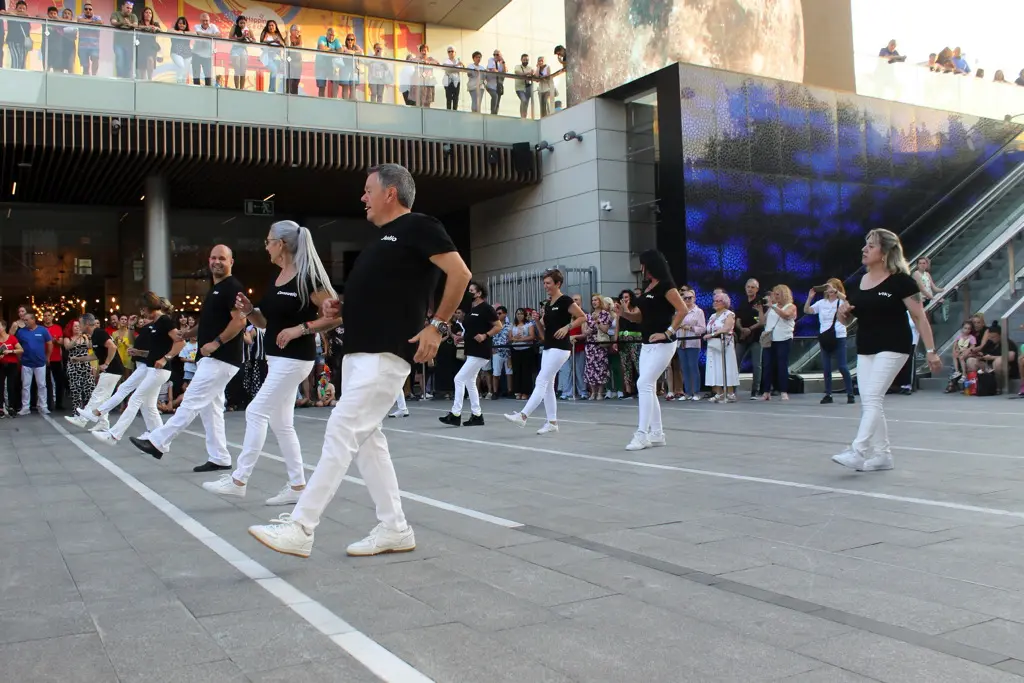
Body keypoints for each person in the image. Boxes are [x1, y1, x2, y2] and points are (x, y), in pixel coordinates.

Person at [248, 163, 472, 558]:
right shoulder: (380, 240)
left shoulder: (420, 225)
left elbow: (460, 273)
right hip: (359, 353)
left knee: (341, 430)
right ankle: (394, 527)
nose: (362, 198)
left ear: (391, 193)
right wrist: (341, 306)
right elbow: (381, 293)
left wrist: (437, 325)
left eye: (368, 190)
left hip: (386, 354)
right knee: (369, 443)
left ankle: (302, 526)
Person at [202, 221, 338, 506]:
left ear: (282, 244)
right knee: (282, 423)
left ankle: (239, 479)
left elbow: (336, 316)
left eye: (268, 241)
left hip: (296, 358)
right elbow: (266, 323)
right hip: (276, 359)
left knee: (255, 412)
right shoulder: (278, 277)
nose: (266, 246)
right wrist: (250, 311)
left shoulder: (308, 277)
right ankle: (298, 485)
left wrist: (301, 329)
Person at [128, 246, 248, 471]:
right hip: (213, 358)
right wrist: (189, 334)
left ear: (232, 261)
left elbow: (240, 321)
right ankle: (219, 457)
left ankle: (158, 441)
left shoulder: (232, 287)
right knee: (210, 409)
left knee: (191, 400)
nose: (217, 262)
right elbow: (211, 324)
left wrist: (217, 343)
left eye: (222, 258)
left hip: (221, 357)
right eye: (213, 257)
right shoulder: (216, 289)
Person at [833, 229, 941, 472]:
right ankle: (882, 455)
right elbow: (850, 320)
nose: (864, 249)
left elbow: (920, 317)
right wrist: (843, 316)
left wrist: (932, 350)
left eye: (871, 246)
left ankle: (858, 451)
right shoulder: (857, 282)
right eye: (865, 245)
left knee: (872, 397)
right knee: (871, 401)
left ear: (884, 253)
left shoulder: (902, 281)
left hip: (894, 345)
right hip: (866, 346)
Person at [614, 250, 686, 450]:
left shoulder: (666, 286)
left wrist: (667, 332)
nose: (641, 268)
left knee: (644, 383)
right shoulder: (648, 288)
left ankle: (642, 434)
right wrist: (625, 314)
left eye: (643, 264)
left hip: (663, 343)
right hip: (646, 342)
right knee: (648, 386)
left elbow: (683, 310)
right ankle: (657, 433)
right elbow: (640, 317)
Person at [89, 294, 182, 445]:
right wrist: (142, 353)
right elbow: (155, 350)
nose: (142, 313)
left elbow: (180, 342)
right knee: (149, 405)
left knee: (135, 399)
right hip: (152, 368)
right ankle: (161, 440)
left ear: (148, 307)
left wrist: (166, 358)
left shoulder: (164, 321)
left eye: (143, 310)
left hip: (160, 370)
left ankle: (114, 435)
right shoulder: (156, 323)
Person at [503, 269, 586, 434]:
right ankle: (552, 422)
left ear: (558, 284)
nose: (545, 286)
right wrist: (536, 321)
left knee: (541, 380)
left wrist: (567, 327)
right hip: (548, 346)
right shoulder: (548, 304)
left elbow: (582, 317)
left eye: (548, 283)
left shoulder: (565, 300)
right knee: (547, 386)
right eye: (544, 283)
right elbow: (542, 332)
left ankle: (524, 415)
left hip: (561, 348)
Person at [439, 281, 500, 427]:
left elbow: (498, 326)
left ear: (479, 293)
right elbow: (471, 328)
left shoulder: (486, 308)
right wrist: (462, 336)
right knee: (470, 382)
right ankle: (477, 415)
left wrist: (485, 335)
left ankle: (455, 414)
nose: (469, 293)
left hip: (481, 350)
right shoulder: (471, 309)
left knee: (459, 379)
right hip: (471, 350)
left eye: (472, 290)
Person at [65, 314, 125, 429]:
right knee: (104, 398)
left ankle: (82, 420)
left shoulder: (99, 333)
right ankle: (103, 424)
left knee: (97, 394)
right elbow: (96, 355)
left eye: (81, 323)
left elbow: (112, 347)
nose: (79, 326)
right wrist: (78, 359)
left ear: (87, 324)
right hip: (111, 370)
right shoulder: (94, 335)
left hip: (112, 369)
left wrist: (106, 363)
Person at [806, 279, 854, 405]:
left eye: (831, 287)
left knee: (842, 366)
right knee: (826, 367)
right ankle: (828, 394)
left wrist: (837, 292)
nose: (829, 290)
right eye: (827, 287)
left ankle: (850, 393)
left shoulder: (841, 301)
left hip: (839, 334)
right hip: (825, 336)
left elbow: (849, 301)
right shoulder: (821, 303)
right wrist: (810, 298)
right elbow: (808, 310)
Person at [13, 313, 52, 416]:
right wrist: (20, 359)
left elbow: (49, 343)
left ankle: (43, 406)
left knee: (42, 385)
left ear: (33, 320)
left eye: (27, 320)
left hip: (40, 362)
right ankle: (25, 407)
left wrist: (47, 357)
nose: (25, 322)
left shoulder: (42, 330)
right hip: (26, 362)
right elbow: (17, 346)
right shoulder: (21, 332)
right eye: (24, 320)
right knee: (26, 386)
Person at [0, 320, 24, 418]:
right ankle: (1, 408)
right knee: (0, 387)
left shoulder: (12, 338)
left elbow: (21, 350)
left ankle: (11, 407)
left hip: (11, 365)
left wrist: (10, 351)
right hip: (1, 365)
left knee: (11, 386)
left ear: (4, 327)